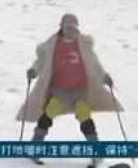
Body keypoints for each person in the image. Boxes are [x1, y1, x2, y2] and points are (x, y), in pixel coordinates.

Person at [16, 13, 122, 167]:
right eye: (68, 27)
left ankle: (96, 151)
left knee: (85, 118)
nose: (71, 30)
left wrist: (104, 76)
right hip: (60, 91)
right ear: (62, 27)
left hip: (80, 91)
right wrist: (33, 70)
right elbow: (41, 62)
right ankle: (34, 147)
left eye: (73, 27)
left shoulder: (83, 45)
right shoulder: (53, 45)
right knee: (47, 115)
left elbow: (94, 64)